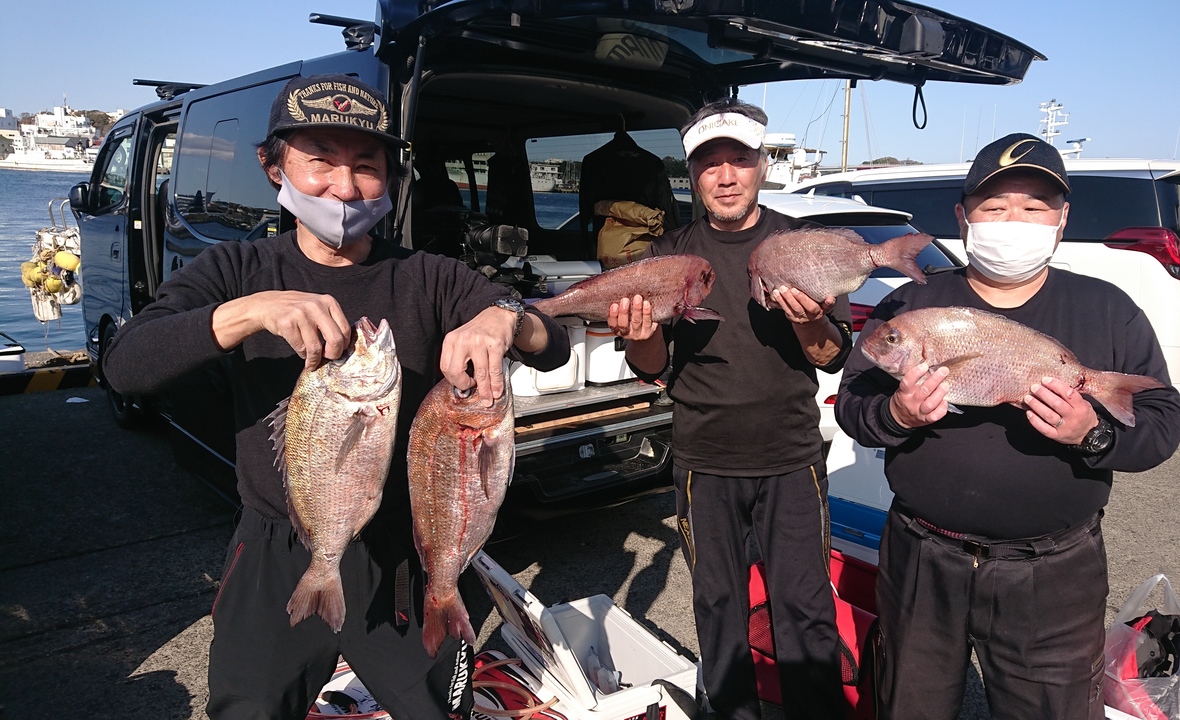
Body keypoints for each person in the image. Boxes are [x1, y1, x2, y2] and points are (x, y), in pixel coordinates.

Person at [101, 74, 569, 720]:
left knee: (439, 708)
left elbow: (555, 343)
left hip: (400, 553)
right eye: (319, 161)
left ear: (391, 177)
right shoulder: (238, 271)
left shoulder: (426, 276)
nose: (344, 188)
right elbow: (125, 366)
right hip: (276, 549)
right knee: (250, 709)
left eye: (367, 167)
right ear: (274, 166)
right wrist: (247, 314)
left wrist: (507, 318)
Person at [836, 133, 1180, 719]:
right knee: (908, 704)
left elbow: (1162, 426)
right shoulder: (911, 308)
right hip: (923, 559)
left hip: (1051, 576)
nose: (1013, 220)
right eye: (995, 207)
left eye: (1033, 207)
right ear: (963, 216)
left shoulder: (1107, 308)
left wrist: (1092, 435)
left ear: (1061, 218)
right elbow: (853, 406)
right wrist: (896, 415)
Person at [609, 99, 852, 720]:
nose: (724, 176)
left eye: (738, 160)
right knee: (717, 608)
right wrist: (639, 331)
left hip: (791, 460)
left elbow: (829, 357)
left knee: (805, 608)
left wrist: (813, 320)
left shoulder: (800, 246)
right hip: (703, 461)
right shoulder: (668, 253)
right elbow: (652, 369)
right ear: (691, 174)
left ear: (761, 165)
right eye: (708, 162)